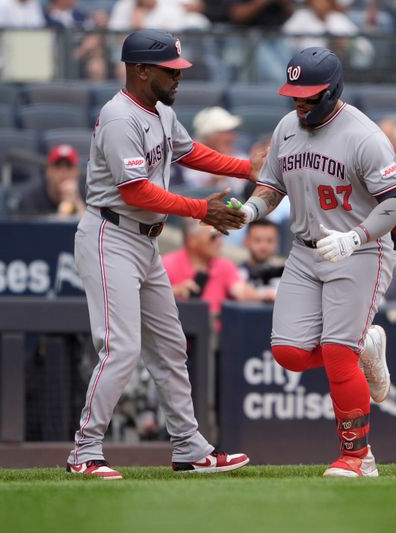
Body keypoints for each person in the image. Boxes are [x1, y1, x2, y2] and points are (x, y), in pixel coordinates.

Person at [65, 29, 266, 480]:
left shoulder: (158, 111)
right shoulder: (119, 117)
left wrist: (244, 168)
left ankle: (190, 448)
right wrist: (202, 210)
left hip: (143, 240)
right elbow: (135, 189)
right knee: (121, 348)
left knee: (171, 346)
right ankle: (85, 450)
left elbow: (189, 151)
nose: (178, 77)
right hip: (110, 234)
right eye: (169, 70)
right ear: (140, 70)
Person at [230, 47, 396, 478]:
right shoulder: (285, 128)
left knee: (335, 353)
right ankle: (364, 348)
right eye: (294, 93)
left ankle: (358, 457)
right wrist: (250, 212)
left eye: (309, 95)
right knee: (290, 353)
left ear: (331, 92)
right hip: (305, 249)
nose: (299, 102)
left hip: (361, 248)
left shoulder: (364, 136)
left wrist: (356, 237)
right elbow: (271, 185)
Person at [164, 220, 271, 317]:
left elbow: (240, 291)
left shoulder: (225, 266)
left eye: (221, 236)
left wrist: (267, 294)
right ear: (192, 240)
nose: (220, 242)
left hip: (214, 335)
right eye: (214, 237)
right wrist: (175, 291)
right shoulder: (166, 265)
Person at [182, 107, 246, 191]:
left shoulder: (241, 157)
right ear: (209, 136)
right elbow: (194, 194)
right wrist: (214, 180)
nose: (232, 137)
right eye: (225, 132)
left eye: (232, 131)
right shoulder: (190, 160)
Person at [17, 144, 85, 217]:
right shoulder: (30, 199)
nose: (63, 172)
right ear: (47, 171)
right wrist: (65, 208)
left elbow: (91, 227)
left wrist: (77, 202)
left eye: (69, 167)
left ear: (77, 172)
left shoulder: (87, 195)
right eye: (58, 166)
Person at [239, 219, 284, 295]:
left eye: (269, 240)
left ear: (276, 243)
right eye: (257, 240)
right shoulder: (236, 275)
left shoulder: (284, 277)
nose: (263, 246)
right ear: (246, 241)